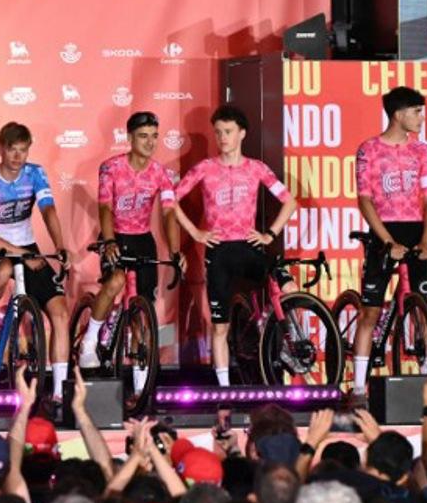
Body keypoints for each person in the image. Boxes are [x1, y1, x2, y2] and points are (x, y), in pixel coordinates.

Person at [170, 105, 298, 387]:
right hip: (219, 251)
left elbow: (289, 201)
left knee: (288, 287)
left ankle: (287, 341)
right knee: (219, 325)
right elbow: (169, 199)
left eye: (227, 132)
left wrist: (270, 233)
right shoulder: (205, 168)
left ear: (242, 133)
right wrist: (195, 231)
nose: (222, 137)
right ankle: (224, 388)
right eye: (217, 132)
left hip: (249, 245)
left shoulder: (256, 168)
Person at [0, 122, 71, 418]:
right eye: (11, 149)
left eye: (22, 150)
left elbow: (48, 210)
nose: (17, 156)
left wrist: (60, 245)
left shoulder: (35, 173)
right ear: (0, 148)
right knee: (0, 273)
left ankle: (59, 391)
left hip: (28, 248)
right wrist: (24, 256)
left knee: (61, 311)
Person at [78, 111, 183, 401]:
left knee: (142, 311)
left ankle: (139, 385)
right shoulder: (111, 168)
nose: (150, 142)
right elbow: (105, 209)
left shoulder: (160, 173)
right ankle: (89, 341)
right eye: (143, 136)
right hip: (116, 235)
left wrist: (175, 252)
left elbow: (168, 213)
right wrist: (109, 240)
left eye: (154, 137)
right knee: (114, 282)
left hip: (143, 240)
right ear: (129, 138)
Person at [352, 86, 427, 393]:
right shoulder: (368, 150)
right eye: (417, 112)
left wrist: (426, 240)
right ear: (398, 114)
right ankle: (359, 387)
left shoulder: (422, 151)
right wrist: (387, 242)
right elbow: (364, 200)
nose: (421, 118)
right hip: (383, 232)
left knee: (423, 307)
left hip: (415, 229)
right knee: (371, 311)